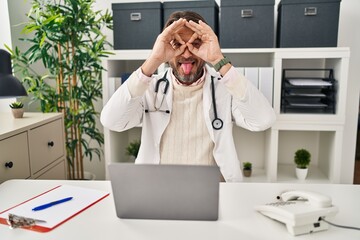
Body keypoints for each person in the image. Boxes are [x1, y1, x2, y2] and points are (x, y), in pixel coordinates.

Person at [100, 11, 276, 182]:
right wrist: (154, 59)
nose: (186, 54)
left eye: (195, 44)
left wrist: (218, 59)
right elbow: (112, 121)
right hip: (157, 187)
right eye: (177, 44)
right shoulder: (149, 87)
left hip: (212, 189)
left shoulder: (225, 88)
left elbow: (263, 120)